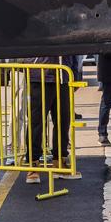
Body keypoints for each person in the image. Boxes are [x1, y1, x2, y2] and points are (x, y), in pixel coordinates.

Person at [19, 54, 80, 183]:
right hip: (39, 75)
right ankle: (33, 164)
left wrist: (75, 73)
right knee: (36, 122)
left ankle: (60, 160)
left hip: (63, 76)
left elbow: (74, 51)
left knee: (63, 120)